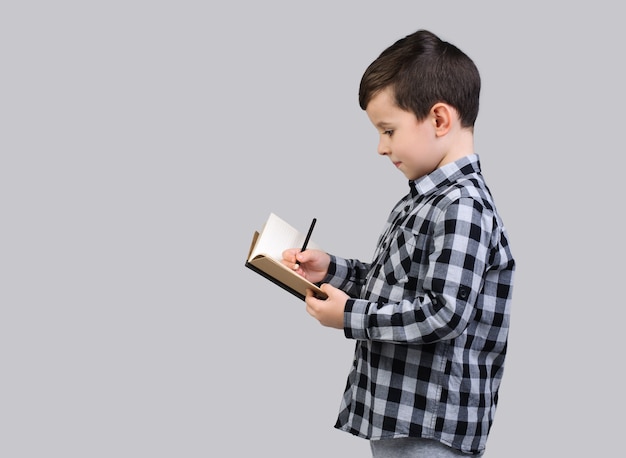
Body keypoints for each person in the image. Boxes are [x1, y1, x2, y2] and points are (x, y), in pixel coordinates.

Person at [282, 29, 515, 457]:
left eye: (388, 130)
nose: (380, 147)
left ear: (439, 119)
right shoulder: (427, 200)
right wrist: (330, 268)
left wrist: (348, 315)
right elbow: (397, 286)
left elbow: (444, 313)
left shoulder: (462, 207)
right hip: (401, 415)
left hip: (430, 427)